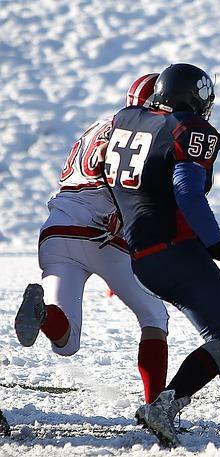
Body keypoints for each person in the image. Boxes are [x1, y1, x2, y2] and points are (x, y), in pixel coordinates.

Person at [104, 63, 220, 447]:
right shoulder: (188, 130)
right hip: (172, 247)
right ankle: (165, 405)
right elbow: (187, 192)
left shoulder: (127, 119)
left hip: (144, 252)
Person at [14, 74, 170, 405]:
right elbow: (127, 185)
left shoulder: (97, 126)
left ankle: (44, 314)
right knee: (154, 317)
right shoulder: (144, 132)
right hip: (102, 233)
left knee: (66, 342)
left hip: (56, 229)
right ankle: (155, 407)